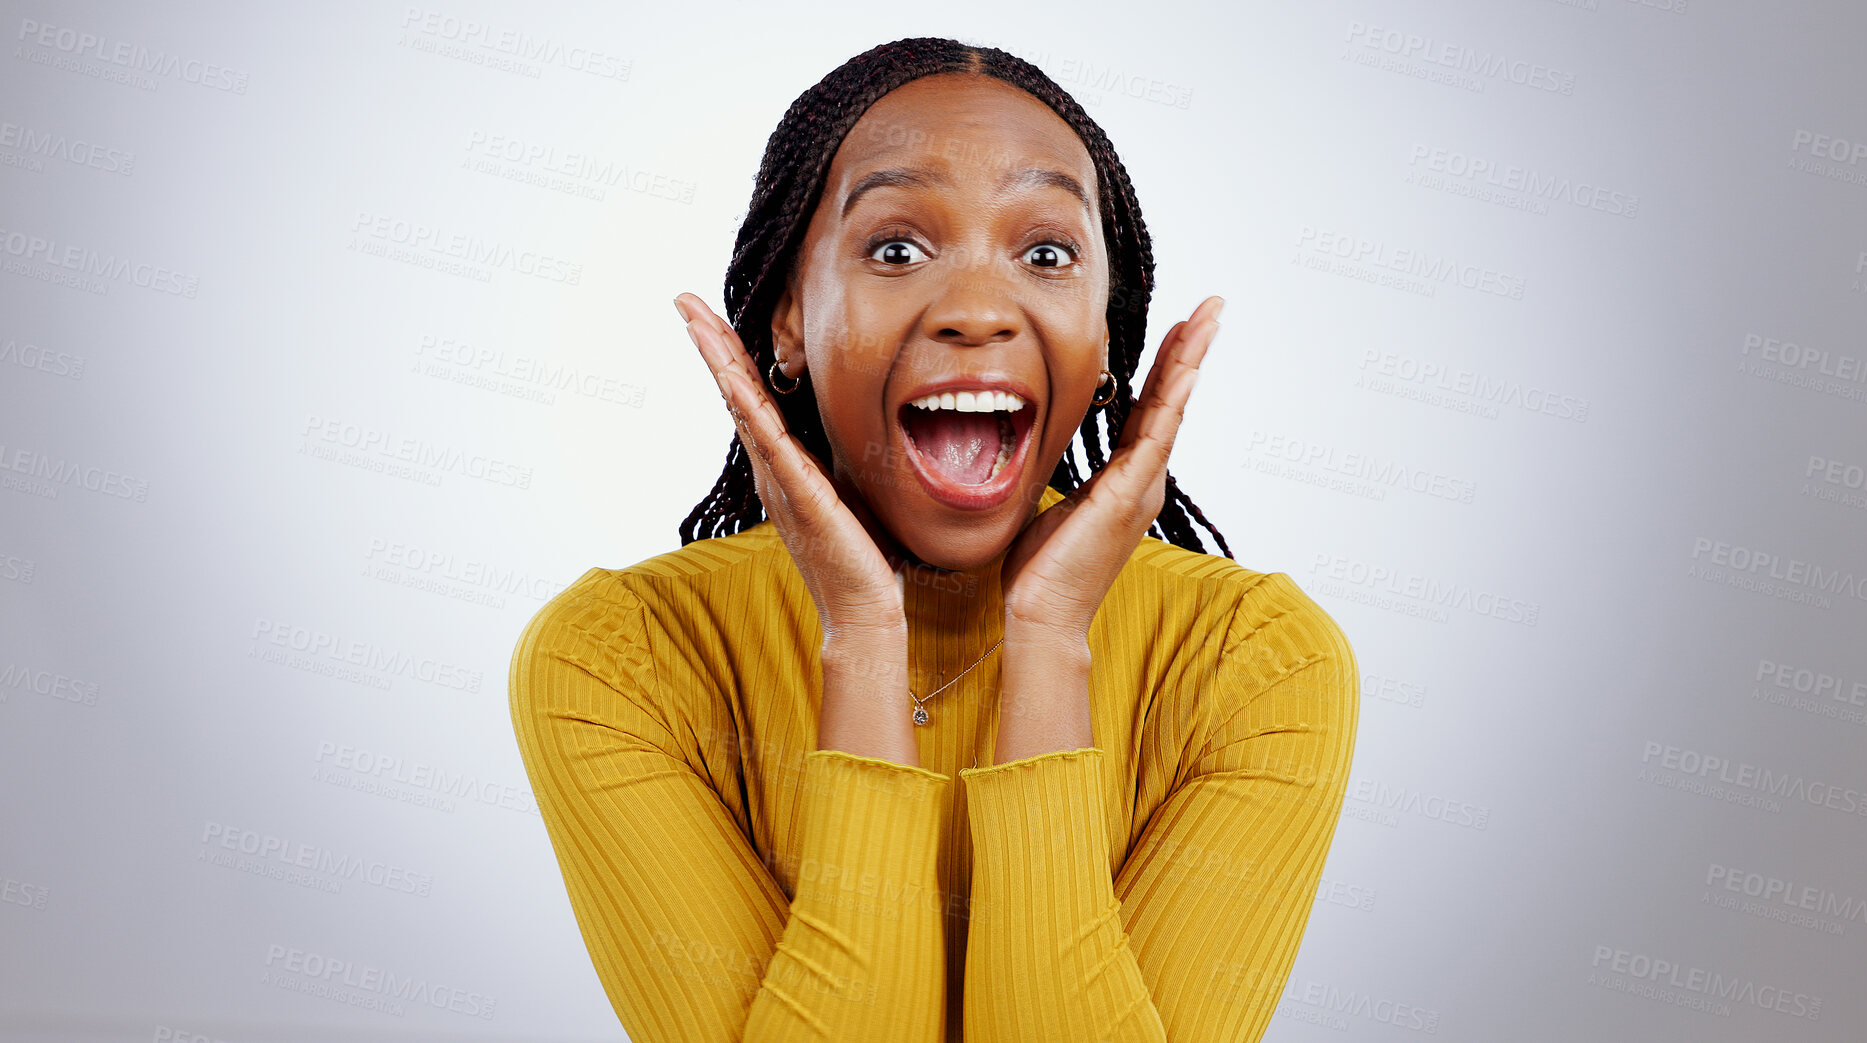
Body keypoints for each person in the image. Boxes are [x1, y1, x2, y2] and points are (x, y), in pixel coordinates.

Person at [509, 36, 1358, 1043]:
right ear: (787, 316)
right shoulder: (621, 661)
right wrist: (862, 640)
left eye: (1046, 253)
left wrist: (1048, 639)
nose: (977, 311)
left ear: (1104, 332)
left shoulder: (1254, 664)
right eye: (897, 248)